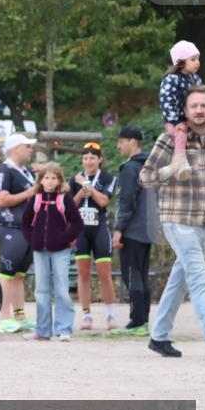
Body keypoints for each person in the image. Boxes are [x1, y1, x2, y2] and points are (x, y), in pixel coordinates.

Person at [140, 85, 205, 361]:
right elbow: (145, 177)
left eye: (203, 106)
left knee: (180, 279)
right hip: (177, 219)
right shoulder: (171, 140)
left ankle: (159, 336)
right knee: (199, 278)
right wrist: (171, 168)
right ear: (184, 110)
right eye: (194, 106)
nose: (199, 110)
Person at [21, 163, 84, 342]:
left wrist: (64, 238)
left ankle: (64, 329)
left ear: (59, 181)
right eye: (46, 178)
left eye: (53, 178)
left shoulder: (65, 200)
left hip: (61, 250)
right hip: (39, 250)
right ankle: (42, 330)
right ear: (40, 180)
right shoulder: (35, 199)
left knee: (62, 288)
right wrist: (32, 240)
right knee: (41, 289)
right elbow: (25, 224)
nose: (49, 182)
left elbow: (77, 224)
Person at [0, 133, 40, 334]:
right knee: (6, 274)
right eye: (27, 146)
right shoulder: (4, 171)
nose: (31, 149)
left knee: (20, 275)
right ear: (15, 149)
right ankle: (4, 317)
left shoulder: (26, 171)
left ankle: (20, 315)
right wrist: (29, 194)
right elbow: (0, 200)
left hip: (28, 229)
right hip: (12, 228)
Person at [69, 142, 119, 331]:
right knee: (82, 273)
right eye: (85, 158)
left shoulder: (108, 177)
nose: (88, 161)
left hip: (99, 229)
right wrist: (80, 194)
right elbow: (69, 206)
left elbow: (104, 201)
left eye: (92, 158)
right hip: (81, 230)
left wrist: (88, 185)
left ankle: (111, 314)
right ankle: (86, 315)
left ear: (100, 160)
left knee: (104, 274)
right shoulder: (74, 179)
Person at [111, 127, 153, 337]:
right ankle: (143, 321)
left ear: (132, 142)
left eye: (121, 141)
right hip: (148, 229)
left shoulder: (130, 168)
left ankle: (137, 322)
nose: (118, 145)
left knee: (131, 275)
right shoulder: (150, 165)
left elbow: (127, 200)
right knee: (142, 275)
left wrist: (119, 229)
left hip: (133, 229)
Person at [157, 40, 205, 182]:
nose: (197, 62)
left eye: (198, 59)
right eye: (193, 59)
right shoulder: (171, 80)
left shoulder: (196, 79)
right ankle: (180, 163)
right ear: (181, 62)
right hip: (175, 120)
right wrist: (176, 121)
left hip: (192, 118)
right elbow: (166, 102)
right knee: (181, 134)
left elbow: (204, 99)